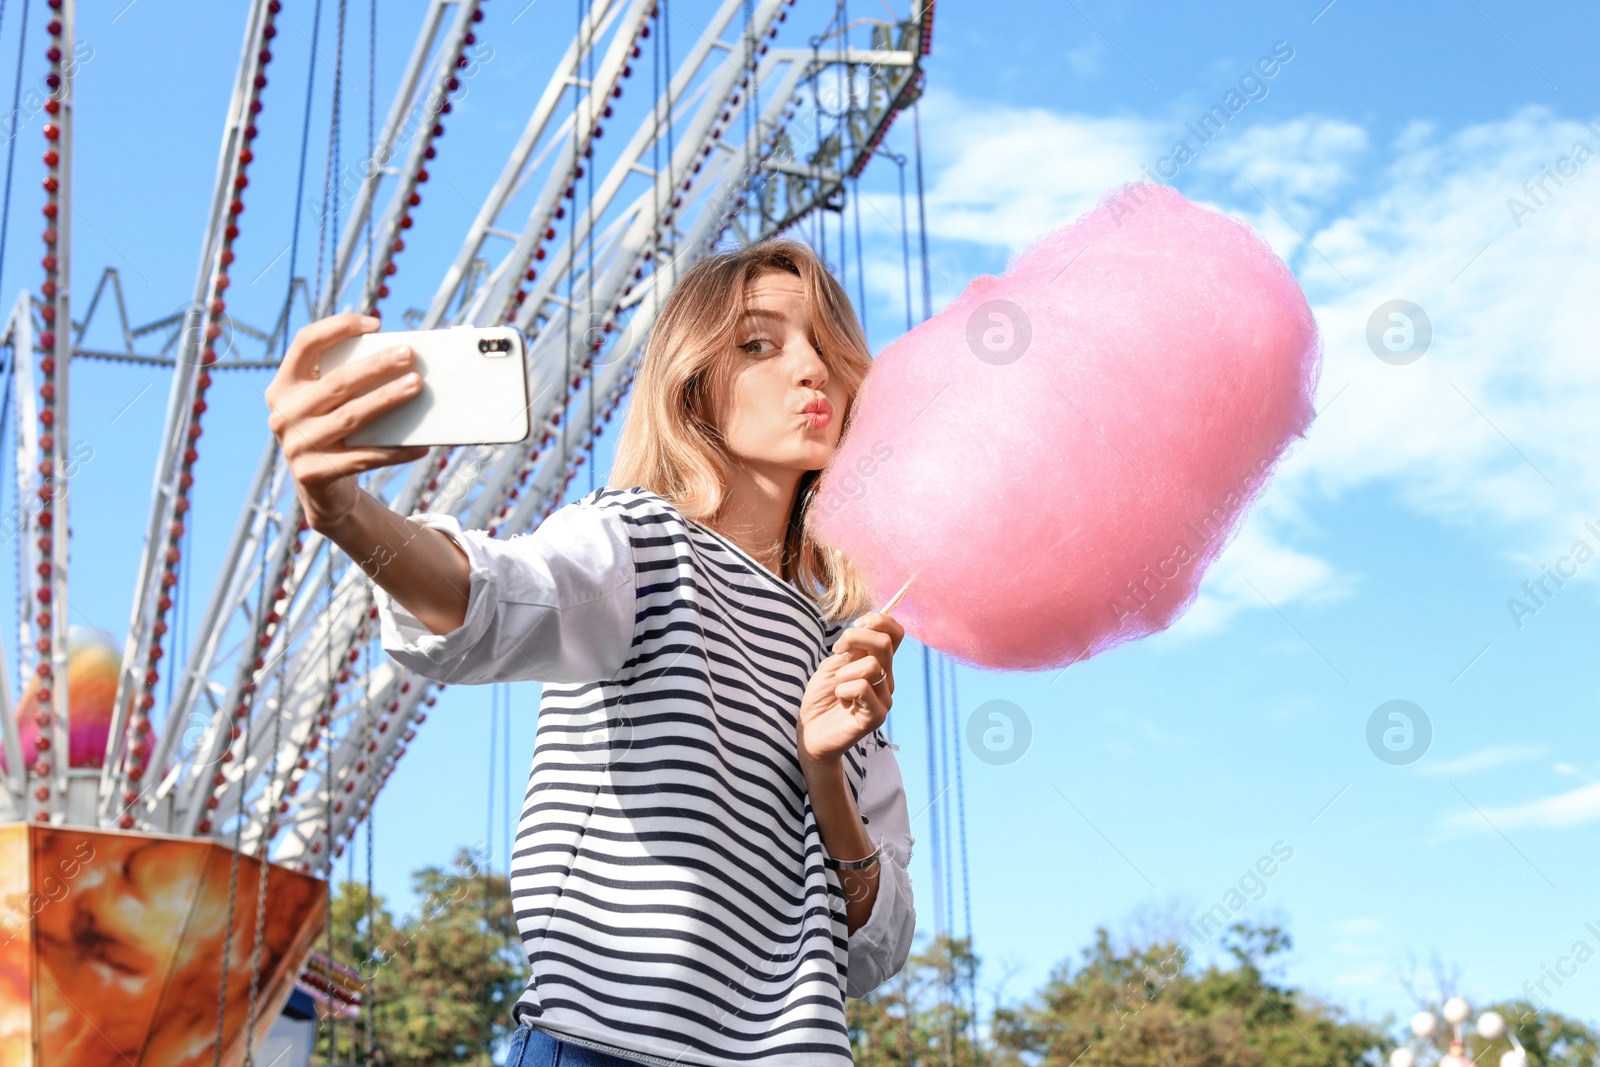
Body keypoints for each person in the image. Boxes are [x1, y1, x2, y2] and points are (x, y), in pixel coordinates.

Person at [264, 237, 917, 1067]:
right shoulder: (638, 545)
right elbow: (493, 599)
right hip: (605, 1049)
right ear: (692, 385)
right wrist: (347, 513)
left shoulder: (848, 659)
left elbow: (871, 955)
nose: (810, 369)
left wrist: (825, 772)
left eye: (828, 345)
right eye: (759, 342)